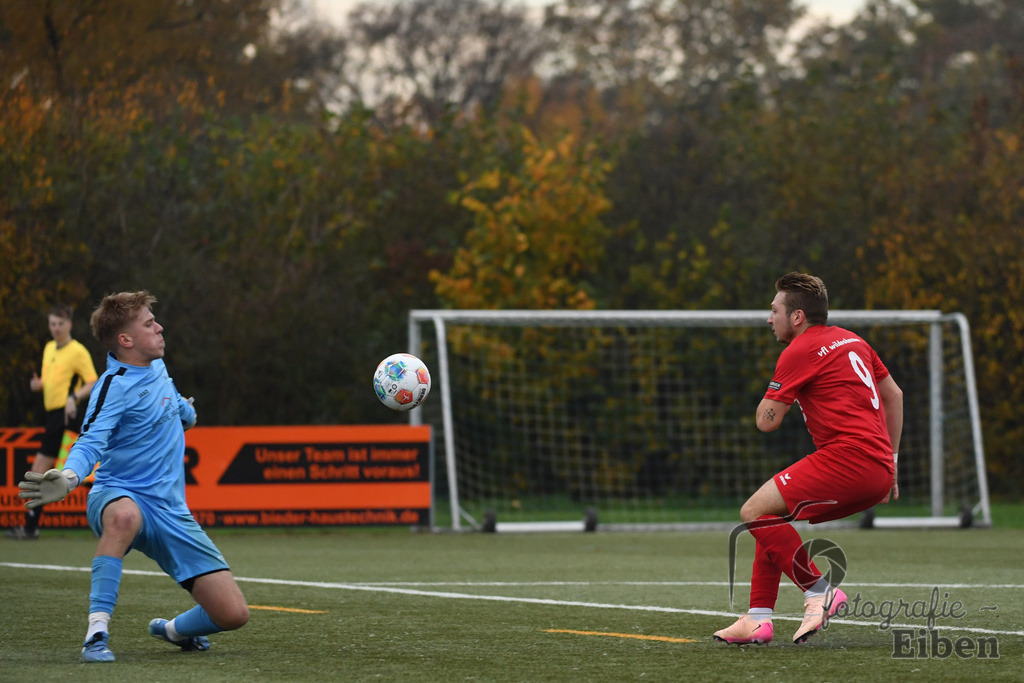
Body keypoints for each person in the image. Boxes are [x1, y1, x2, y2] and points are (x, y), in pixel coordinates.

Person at [17, 291, 249, 662]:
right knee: (126, 516)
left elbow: (169, 401)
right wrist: (71, 477)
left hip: (170, 510)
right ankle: (96, 633)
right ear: (125, 340)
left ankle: (172, 631)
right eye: (148, 323)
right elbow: (90, 440)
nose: (158, 327)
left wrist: (183, 411)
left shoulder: (157, 366)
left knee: (233, 614)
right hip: (117, 493)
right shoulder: (112, 385)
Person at [713, 272, 902, 646]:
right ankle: (758, 618)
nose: (770, 319)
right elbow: (893, 394)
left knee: (752, 512)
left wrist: (774, 395)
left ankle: (820, 591)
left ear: (797, 317)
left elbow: (767, 422)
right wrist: (892, 462)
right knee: (770, 519)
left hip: (846, 459)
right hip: (878, 468)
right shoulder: (853, 340)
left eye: (775, 310)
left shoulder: (797, 350)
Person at [5, 303, 98, 540]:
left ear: (69, 324)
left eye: (60, 324)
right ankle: (31, 527)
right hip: (53, 417)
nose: (56, 328)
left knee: (76, 472)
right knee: (52, 472)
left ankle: (30, 527)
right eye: (52, 324)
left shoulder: (77, 351)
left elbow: (92, 381)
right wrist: (40, 385)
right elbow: (49, 381)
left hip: (68, 416)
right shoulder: (49, 348)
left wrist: (73, 397)